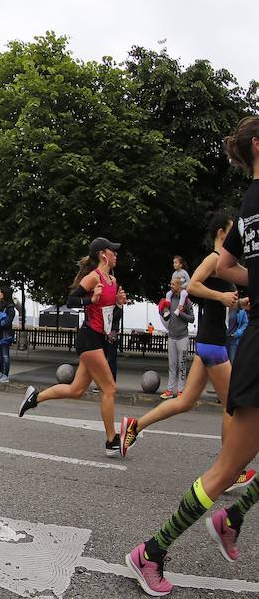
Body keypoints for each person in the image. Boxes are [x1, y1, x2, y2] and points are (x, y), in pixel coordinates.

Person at [124, 116, 259, 596]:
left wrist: (244, 289)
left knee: (194, 410)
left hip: (235, 342)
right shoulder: (244, 213)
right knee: (225, 462)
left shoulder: (247, 206)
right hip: (227, 343)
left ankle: (233, 514)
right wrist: (222, 298)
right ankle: (152, 551)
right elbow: (212, 274)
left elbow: (230, 266)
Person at [120, 213, 255, 488]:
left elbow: (221, 301)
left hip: (211, 340)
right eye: (232, 231)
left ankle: (134, 425)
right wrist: (221, 296)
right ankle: (229, 471)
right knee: (233, 407)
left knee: (185, 401)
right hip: (213, 343)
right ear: (221, 232)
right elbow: (192, 287)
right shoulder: (215, 258)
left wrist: (240, 303)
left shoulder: (225, 262)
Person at [18, 238, 128, 456]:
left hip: (100, 339)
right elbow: (71, 301)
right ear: (102, 255)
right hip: (89, 339)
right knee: (109, 389)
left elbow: (110, 316)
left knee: (76, 390)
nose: (116, 254)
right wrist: (91, 299)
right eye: (112, 251)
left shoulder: (112, 280)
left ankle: (34, 398)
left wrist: (117, 304)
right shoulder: (93, 277)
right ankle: (111, 440)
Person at [157, 277, 193, 399]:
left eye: (173, 284)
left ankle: (181, 391)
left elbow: (192, 318)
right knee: (172, 365)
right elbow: (166, 317)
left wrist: (181, 313)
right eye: (170, 283)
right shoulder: (169, 299)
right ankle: (169, 390)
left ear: (179, 285)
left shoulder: (187, 301)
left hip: (183, 337)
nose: (171, 286)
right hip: (171, 337)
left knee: (181, 365)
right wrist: (162, 311)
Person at [0, 287, 16, 383]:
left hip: (5, 334)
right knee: (0, 357)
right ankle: (1, 373)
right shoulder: (1, 305)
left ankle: (6, 375)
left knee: (5, 356)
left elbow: (7, 322)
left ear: (4, 293)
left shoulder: (10, 307)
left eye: (0, 292)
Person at [227, 298, 249, 363]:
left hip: (233, 339)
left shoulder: (241, 310)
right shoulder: (222, 307)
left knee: (232, 361)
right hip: (221, 340)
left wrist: (238, 333)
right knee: (220, 362)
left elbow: (245, 323)